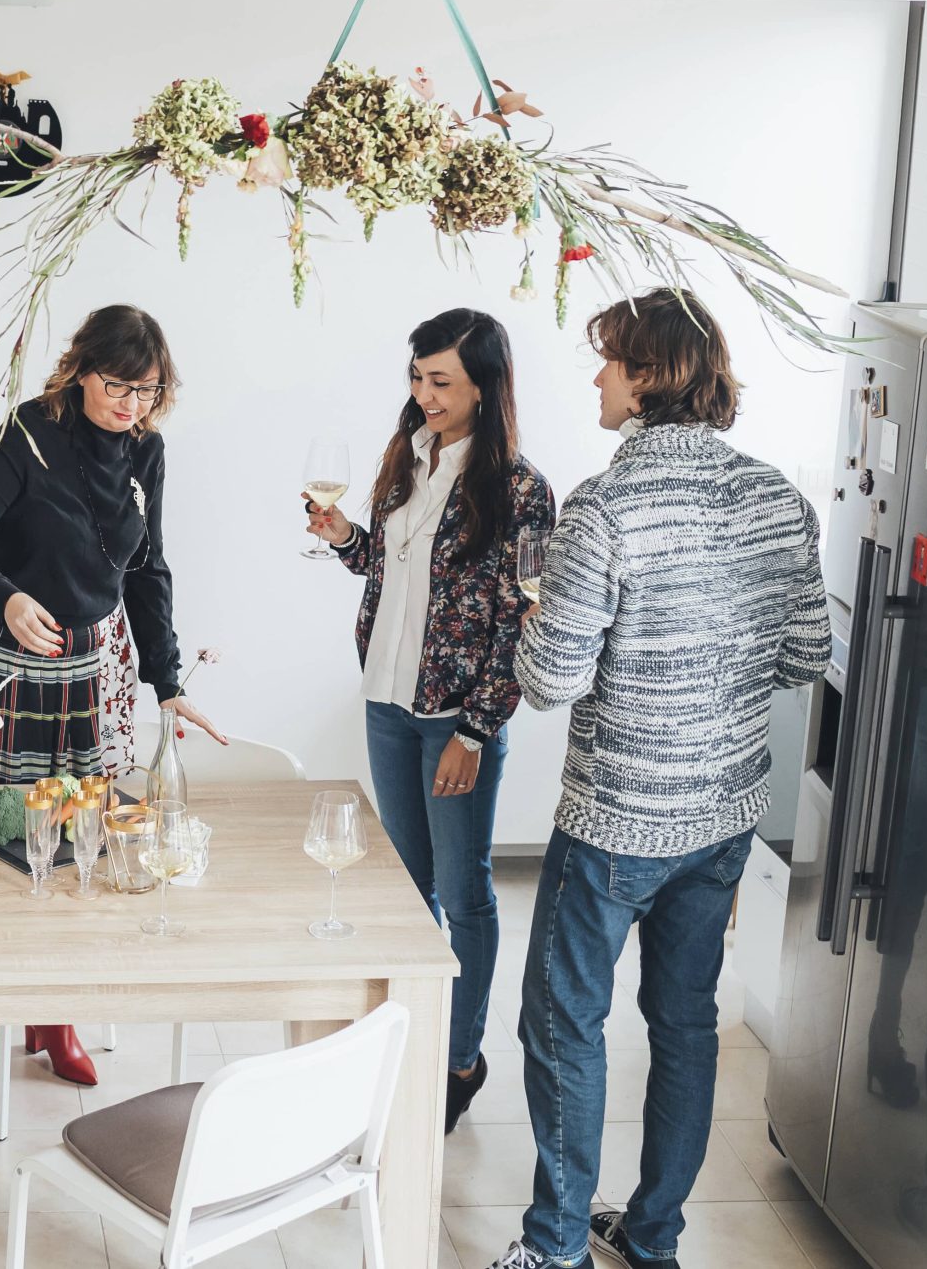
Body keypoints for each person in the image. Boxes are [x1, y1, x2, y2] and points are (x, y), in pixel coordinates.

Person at [481, 290, 830, 1269]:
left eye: (608, 362)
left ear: (647, 379)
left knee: (561, 1023)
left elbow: (549, 680)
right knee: (683, 1025)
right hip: (722, 816)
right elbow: (807, 655)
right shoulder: (776, 499)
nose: (595, 377)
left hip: (616, 822)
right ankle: (653, 1238)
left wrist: (532, 606)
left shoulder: (604, 507)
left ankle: (553, 1249)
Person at [0, 303, 225, 1137]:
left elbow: (148, 569)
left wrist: (166, 679)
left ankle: (52, 1022)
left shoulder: (147, 451)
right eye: (118, 385)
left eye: (148, 389)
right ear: (80, 369)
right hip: (9, 663)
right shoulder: (26, 435)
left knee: (73, 848)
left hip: (91, 670)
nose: (132, 403)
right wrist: (6, 598)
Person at [304, 308, 552, 1134]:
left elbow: (522, 620)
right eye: (416, 377)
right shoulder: (406, 457)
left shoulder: (519, 488)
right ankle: (402, 1042)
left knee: (464, 892)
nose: (424, 394)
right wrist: (345, 536)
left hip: (456, 717)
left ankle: (460, 1056)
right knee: (409, 892)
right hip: (387, 701)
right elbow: (392, 566)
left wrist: (477, 731)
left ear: (485, 385)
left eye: (441, 380)